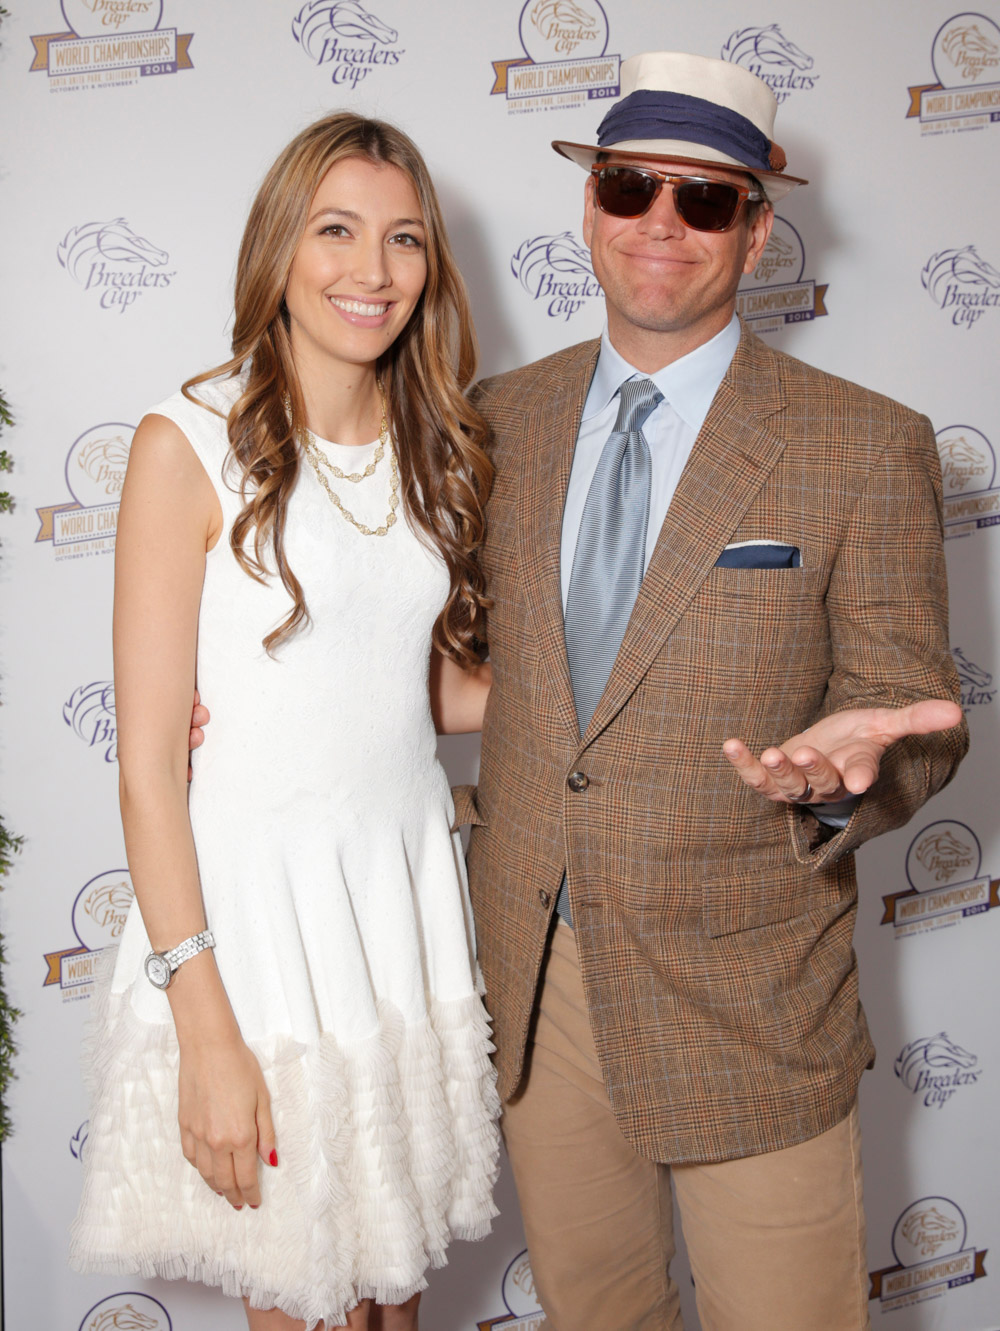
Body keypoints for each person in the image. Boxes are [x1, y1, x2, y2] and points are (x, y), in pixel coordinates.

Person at [455, 52, 968, 1331]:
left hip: (750, 994)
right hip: (539, 986)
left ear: (759, 228)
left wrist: (850, 774)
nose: (661, 227)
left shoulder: (865, 442)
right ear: (591, 208)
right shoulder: (491, 422)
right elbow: (470, 669)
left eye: (707, 201)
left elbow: (910, 713)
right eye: (632, 188)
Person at [69, 113, 500, 1331]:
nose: (371, 270)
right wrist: (207, 1033)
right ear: (279, 247)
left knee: (391, 1304)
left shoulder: (436, 443)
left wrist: (624, 681)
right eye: (337, 230)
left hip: (395, 918)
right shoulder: (186, 442)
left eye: (403, 239)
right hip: (258, 942)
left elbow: (419, 692)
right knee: (306, 1305)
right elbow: (149, 769)